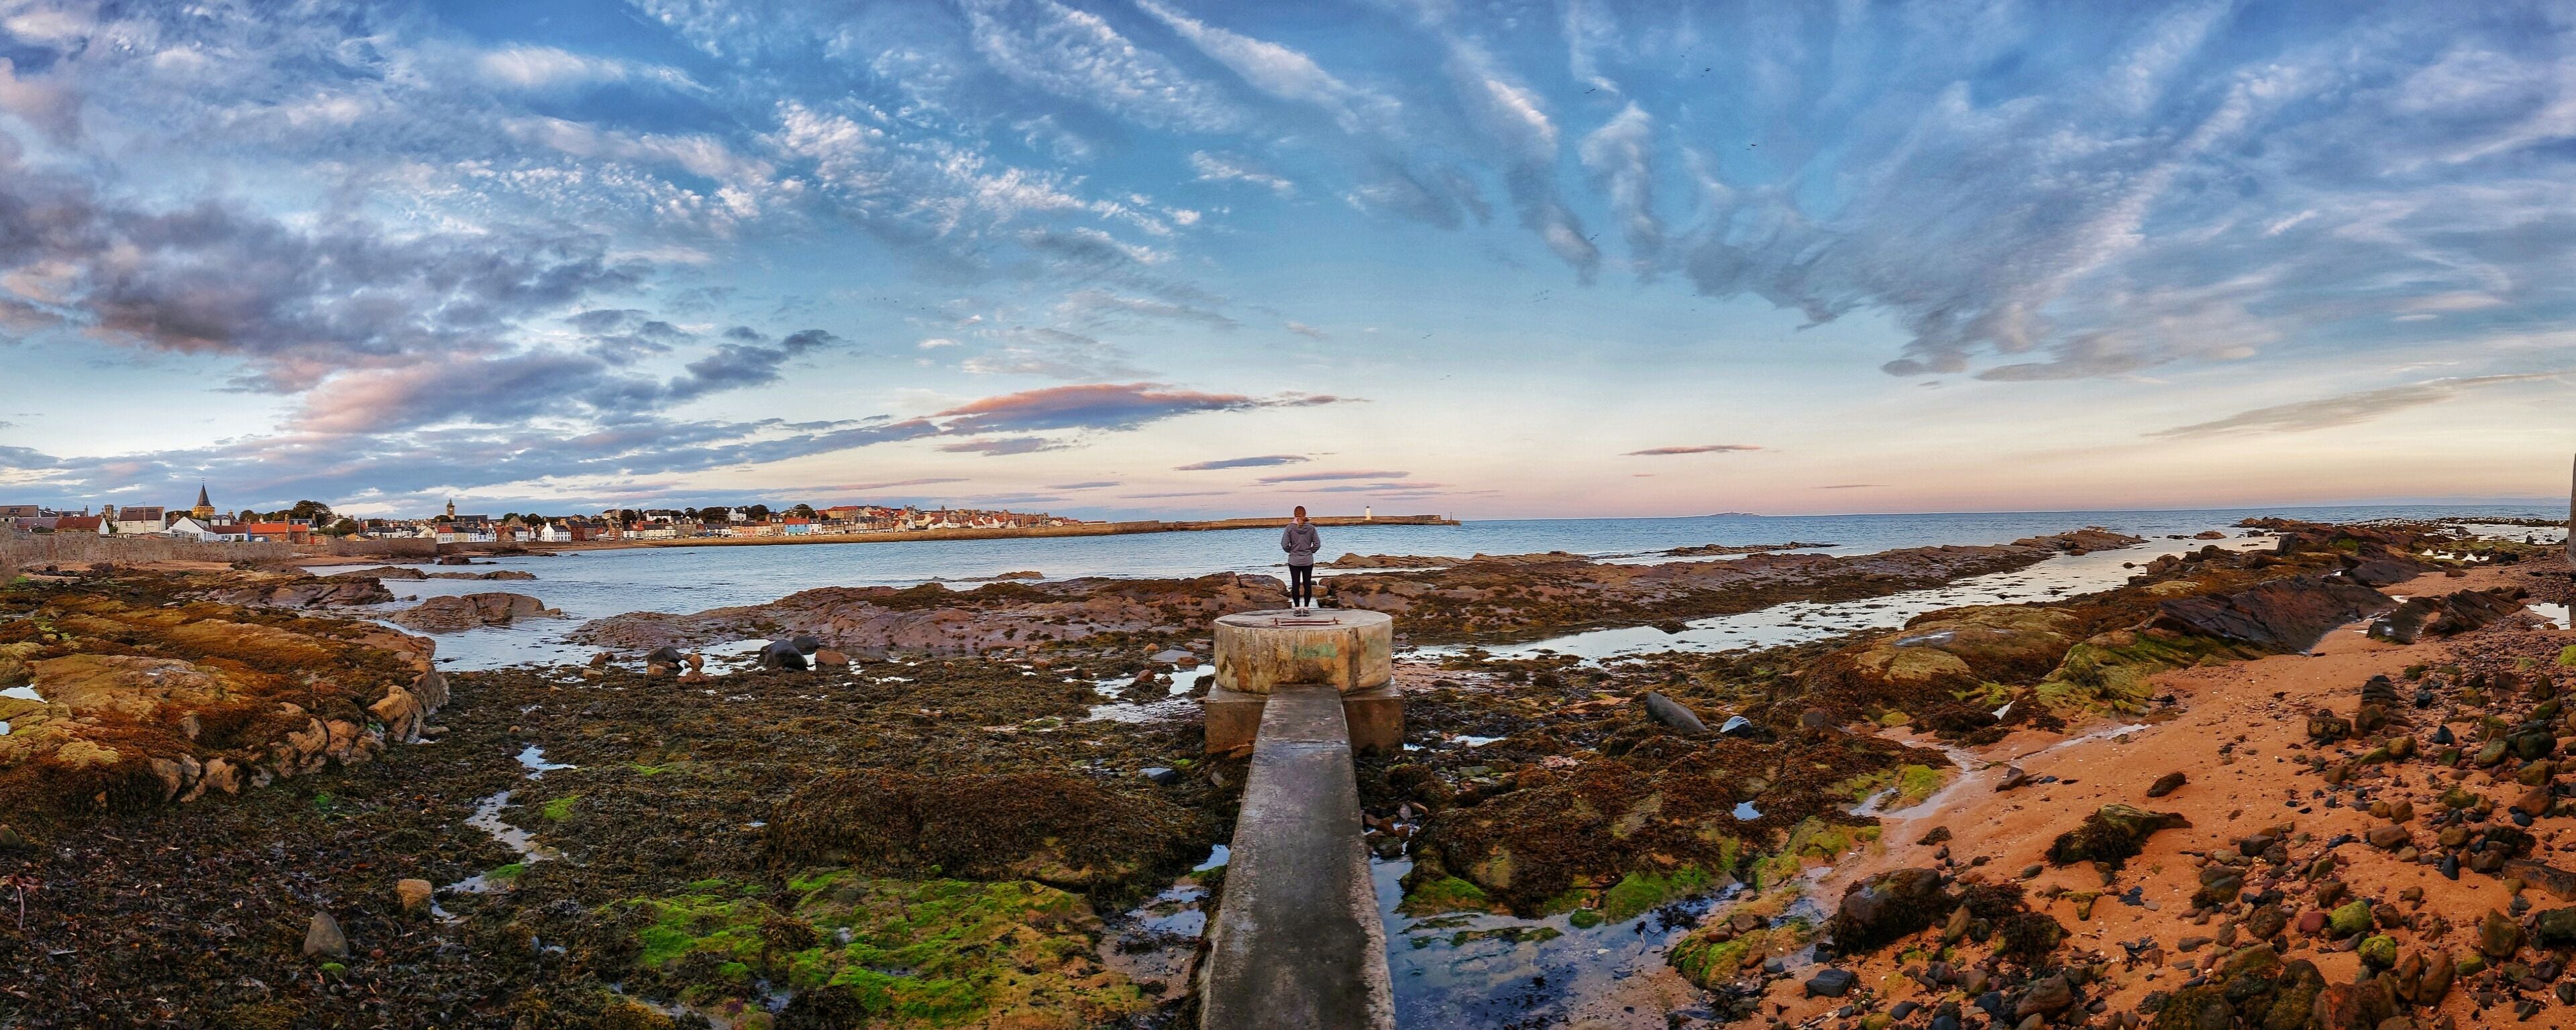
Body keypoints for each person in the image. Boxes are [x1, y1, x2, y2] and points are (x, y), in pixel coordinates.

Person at [1280, 506, 1320, 612]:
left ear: (1294, 514)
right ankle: (1306, 608)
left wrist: (1291, 551)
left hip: (1294, 560)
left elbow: (1284, 545)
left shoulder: (1289, 528)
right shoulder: (1311, 528)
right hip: (1308, 560)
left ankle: (1297, 608)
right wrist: (1311, 551)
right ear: (1305, 514)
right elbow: (1317, 544)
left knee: (1295, 584)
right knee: (1307, 584)